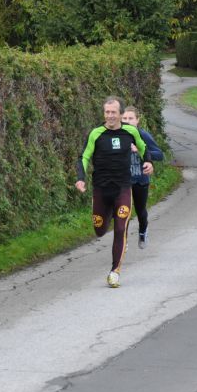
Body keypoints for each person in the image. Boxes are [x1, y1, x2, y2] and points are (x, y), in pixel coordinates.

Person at [75, 96, 154, 288]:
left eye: (113, 112)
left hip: (123, 189)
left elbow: (145, 149)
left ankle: (114, 272)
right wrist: (80, 178)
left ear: (120, 114)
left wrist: (148, 162)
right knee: (99, 230)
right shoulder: (96, 133)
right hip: (101, 190)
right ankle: (107, 213)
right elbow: (84, 157)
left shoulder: (131, 131)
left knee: (120, 229)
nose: (110, 116)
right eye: (107, 112)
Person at [121, 105, 164, 249]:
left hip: (140, 180)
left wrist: (140, 150)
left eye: (130, 118)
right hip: (123, 181)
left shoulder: (143, 135)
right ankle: (123, 241)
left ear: (137, 120)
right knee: (123, 212)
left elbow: (159, 154)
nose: (127, 121)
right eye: (124, 118)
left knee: (141, 212)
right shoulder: (116, 136)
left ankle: (143, 231)